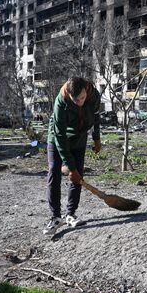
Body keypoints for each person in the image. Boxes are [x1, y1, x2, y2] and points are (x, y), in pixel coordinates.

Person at [43, 76, 101, 235]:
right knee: (54, 171)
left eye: (82, 98)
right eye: (75, 100)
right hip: (57, 139)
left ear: (86, 90)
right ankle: (55, 216)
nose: (79, 102)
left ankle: (70, 214)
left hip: (79, 138)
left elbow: (96, 115)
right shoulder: (60, 102)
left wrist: (97, 138)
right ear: (69, 94)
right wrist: (70, 166)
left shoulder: (94, 95)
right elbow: (60, 137)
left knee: (78, 174)